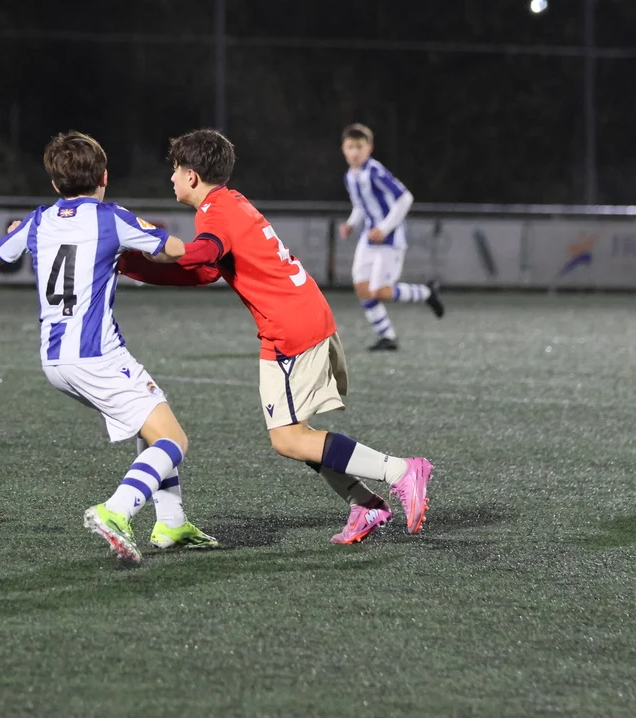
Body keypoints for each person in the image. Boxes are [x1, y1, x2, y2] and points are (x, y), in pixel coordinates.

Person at [119, 129, 434, 544]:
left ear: (192, 176)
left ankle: (401, 471)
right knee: (297, 435)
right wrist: (134, 266)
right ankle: (365, 504)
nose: (171, 178)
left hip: (291, 326)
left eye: (175, 169)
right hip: (296, 317)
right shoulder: (228, 203)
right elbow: (207, 270)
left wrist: (151, 240)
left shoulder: (216, 212)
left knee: (289, 439)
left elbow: (204, 253)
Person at [0, 131, 217, 563]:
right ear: (104, 177)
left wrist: (18, 231)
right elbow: (173, 249)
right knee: (174, 439)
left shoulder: (39, 219)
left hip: (54, 359)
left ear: (55, 184)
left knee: (153, 419)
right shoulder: (111, 217)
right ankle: (117, 510)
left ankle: (171, 522)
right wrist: (146, 237)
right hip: (96, 355)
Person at [338, 123, 444, 351]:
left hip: (390, 239)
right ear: (343, 149)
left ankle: (427, 293)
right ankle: (387, 336)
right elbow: (360, 205)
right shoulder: (350, 176)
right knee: (362, 288)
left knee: (380, 292)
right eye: (350, 147)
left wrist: (385, 228)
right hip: (369, 238)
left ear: (369, 148)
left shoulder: (374, 171)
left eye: (359, 147)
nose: (355, 152)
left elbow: (405, 198)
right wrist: (351, 224)